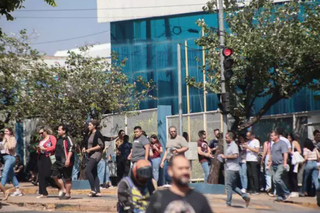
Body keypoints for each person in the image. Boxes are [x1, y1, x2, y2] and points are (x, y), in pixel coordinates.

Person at [147, 155, 212, 213]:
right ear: (170, 171)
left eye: (187, 168)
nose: (184, 172)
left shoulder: (200, 199)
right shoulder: (158, 199)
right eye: (180, 168)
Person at [221, 132, 251, 207]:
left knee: (228, 186)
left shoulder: (233, 145)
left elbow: (235, 155)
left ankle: (228, 202)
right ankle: (245, 196)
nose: (225, 139)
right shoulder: (230, 146)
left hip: (232, 168)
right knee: (233, 186)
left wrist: (225, 157)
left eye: (226, 137)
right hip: (230, 167)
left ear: (231, 138)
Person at [51, 125, 75, 200]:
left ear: (64, 131)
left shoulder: (68, 139)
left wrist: (68, 159)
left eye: (59, 130)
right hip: (57, 161)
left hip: (66, 160)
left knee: (67, 178)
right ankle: (63, 189)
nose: (58, 131)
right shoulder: (59, 139)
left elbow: (71, 148)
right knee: (54, 175)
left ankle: (67, 194)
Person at [82, 119, 105, 197]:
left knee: (88, 170)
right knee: (94, 172)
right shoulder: (90, 134)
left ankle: (93, 189)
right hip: (90, 154)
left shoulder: (98, 134)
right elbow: (87, 143)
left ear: (94, 126)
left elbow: (100, 145)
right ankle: (98, 191)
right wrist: (84, 148)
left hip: (96, 154)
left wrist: (90, 149)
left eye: (90, 125)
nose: (88, 126)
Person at [0, 127, 23, 197]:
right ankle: (18, 190)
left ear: (10, 132)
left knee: (5, 173)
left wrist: (8, 139)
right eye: (4, 132)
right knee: (11, 174)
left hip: (10, 157)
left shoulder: (13, 139)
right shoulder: (3, 139)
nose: (5, 133)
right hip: (4, 158)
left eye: (7, 131)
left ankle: (1, 188)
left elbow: (10, 147)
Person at [269, 131, 290, 201]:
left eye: (272, 136)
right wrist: (270, 163)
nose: (271, 137)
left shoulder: (282, 143)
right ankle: (280, 196)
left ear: (277, 136)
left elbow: (285, 153)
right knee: (275, 181)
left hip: (280, 164)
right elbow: (272, 155)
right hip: (274, 165)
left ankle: (286, 192)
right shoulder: (273, 144)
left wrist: (285, 163)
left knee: (277, 178)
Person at [36, 127, 57, 198]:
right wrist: (38, 149)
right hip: (41, 157)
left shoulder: (51, 138)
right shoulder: (41, 140)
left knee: (47, 174)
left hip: (48, 156)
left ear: (46, 131)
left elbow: (54, 146)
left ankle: (59, 186)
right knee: (41, 175)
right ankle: (43, 192)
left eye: (42, 133)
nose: (41, 135)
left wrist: (45, 149)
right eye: (40, 133)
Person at [287, 133, 301, 197]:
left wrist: (292, 152)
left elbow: (299, 151)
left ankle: (295, 190)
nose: (288, 139)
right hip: (289, 161)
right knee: (289, 176)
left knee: (294, 176)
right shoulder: (286, 143)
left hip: (294, 161)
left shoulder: (294, 142)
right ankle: (290, 189)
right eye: (287, 137)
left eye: (289, 137)